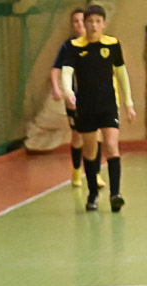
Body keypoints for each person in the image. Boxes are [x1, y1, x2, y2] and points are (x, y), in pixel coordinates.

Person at [60, 4, 136, 212]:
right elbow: (66, 71)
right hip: (86, 107)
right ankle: (93, 193)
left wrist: (129, 103)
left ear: (103, 24)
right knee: (90, 150)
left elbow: (121, 73)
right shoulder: (74, 47)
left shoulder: (112, 45)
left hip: (108, 105)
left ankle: (115, 194)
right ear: (85, 25)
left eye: (97, 22)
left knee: (111, 145)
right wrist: (68, 91)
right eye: (90, 22)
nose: (93, 25)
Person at [49, 7, 101, 188]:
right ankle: (77, 171)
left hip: (93, 97)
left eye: (81, 21)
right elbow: (55, 69)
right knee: (78, 135)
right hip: (74, 99)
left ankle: (95, 173)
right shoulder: (68, 47)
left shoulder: (97, 43)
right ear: (72, 25)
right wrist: (57, 88)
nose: (79, 25)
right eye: (75, 21)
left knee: (95, 134)